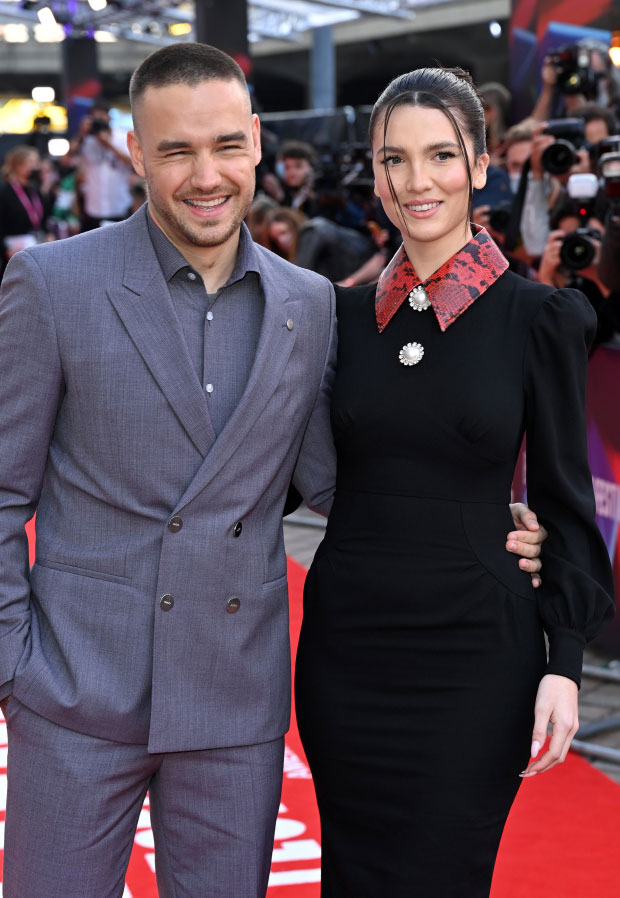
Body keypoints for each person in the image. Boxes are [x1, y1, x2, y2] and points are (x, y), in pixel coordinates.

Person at [0, 44, 543, 898]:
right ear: (135, 153)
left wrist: (485, 517)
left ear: (255, 140)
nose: (205, 176)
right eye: (175, 151)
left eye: (225, 145)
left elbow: (342, 479)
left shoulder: (310, 302)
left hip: (234, 702)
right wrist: (15, 667)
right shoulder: (52, 283)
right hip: (75, 694)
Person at [295, 66, 615, 898]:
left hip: (475, 657)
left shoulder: (536, 318)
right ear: (374, 174)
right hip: (346, 651)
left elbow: (564, 501)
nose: (417, 181)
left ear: (479, 164)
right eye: (393, 159)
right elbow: (281, 472)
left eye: (440, 155)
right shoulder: (339, 319)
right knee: (353, 877)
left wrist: (564, 663)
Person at [0, 145, 52, 279]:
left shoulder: (35, 189)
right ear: (19, 166)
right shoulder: (5, 191)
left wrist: (48, 233)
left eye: (37, 162)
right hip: (13, 252)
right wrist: (5, 250)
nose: (37, 167)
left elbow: (43, 218)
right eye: (32, 162)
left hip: (36, 247)